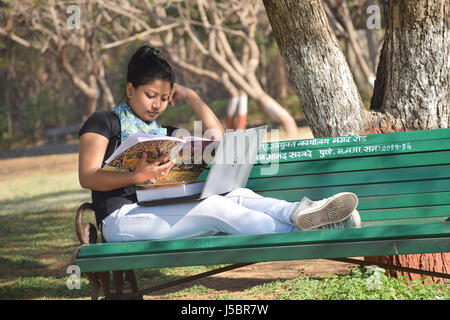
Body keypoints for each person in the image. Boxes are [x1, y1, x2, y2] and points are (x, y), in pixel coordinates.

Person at [78, 45, 361, 243]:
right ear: (130, 89)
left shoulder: (161, 132)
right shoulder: (105, 121)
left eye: (165, 98)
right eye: (151, 95)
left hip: (158, 208)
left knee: (237, 194)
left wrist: (192, 96)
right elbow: (87, 177)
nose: (158, 105)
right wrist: (135, 177)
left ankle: (299, 213)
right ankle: (313, 234)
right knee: (214, 207)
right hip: (121, 219)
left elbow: (218, 140)